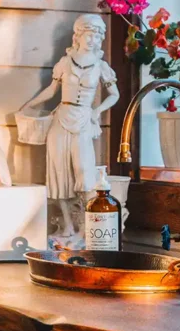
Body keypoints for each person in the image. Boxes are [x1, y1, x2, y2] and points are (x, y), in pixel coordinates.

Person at [17, 14, 119, 243]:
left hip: (83, 119)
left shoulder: (101, 66)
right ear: (78, 36)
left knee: (84, 172)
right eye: (87, 35)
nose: (92, 40)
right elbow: (51, 91)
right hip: (61, 118)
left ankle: (86, 226)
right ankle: (68, 227)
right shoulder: (65, 62)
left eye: (96, 36)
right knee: (58, 173)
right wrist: (29, 105)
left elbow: (115, 95)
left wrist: (97, 111)